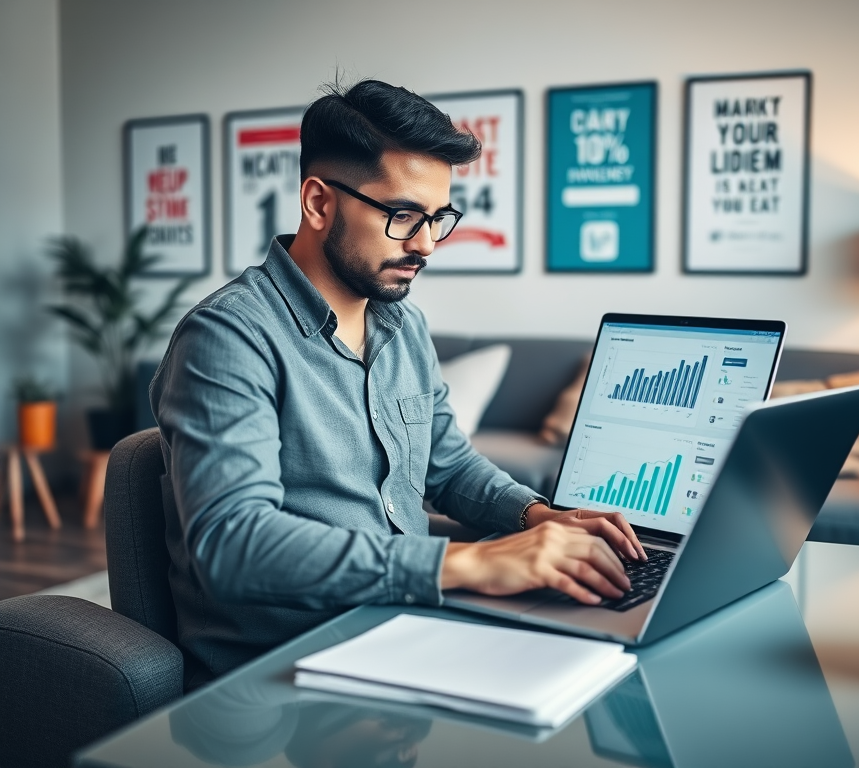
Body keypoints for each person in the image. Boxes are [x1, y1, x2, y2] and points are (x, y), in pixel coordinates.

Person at [151, 79, 646, 689]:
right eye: (403, 215)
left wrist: (536, 517)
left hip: (409, 633)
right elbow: (234, 544)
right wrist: (468, 563)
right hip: (279, 680)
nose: (426, 244)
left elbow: (449, 465)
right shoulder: (228, 338)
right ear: (318, 202)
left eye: (439, 219)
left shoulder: (402, 325)